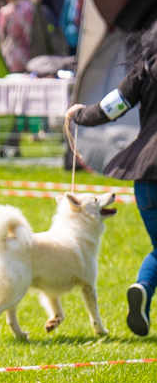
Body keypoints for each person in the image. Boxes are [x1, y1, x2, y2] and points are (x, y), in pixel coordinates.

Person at [65, 24, 157, 337]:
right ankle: (142, 291)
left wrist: (79, 115)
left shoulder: (143, 70)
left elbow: (110, 108)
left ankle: (142, 290)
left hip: (144, 172)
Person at [0, 0, 33, 73]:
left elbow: (2, 35)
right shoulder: (31, 8)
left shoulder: (4, 12)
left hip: (13, 56)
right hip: (33, 53)